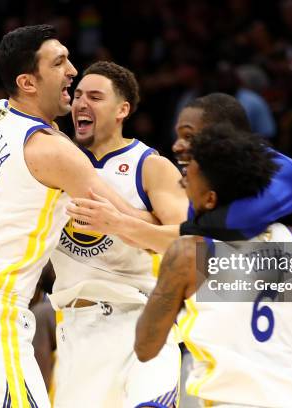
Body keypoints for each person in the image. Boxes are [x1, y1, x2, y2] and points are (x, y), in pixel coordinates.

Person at [74, 93, 292, 407]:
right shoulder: (210, 199)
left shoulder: (279, 170)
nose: (177, 146)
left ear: (225, 137)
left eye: (189, 136)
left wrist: (130, 225)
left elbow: (232, 225)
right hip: (267, 359)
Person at [0, 25, 155, 408]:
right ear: (28, 82)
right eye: (59, 62)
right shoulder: (54, 152)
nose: (72, 71)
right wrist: (192, 226)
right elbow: (129, 222)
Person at [135, 124, 292, 407]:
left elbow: (145, 347)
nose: (182, 184)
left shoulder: (188, 254)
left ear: (210, 199)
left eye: (188, 180)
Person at [49, 61, 187, 407]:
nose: (82, 103)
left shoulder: (150, 165)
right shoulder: (54, 159)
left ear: (122, 109)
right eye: (78, 95)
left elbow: (189, 243)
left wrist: (120, 223)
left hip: (139, 321)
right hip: (75, 329)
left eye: (95, 96)